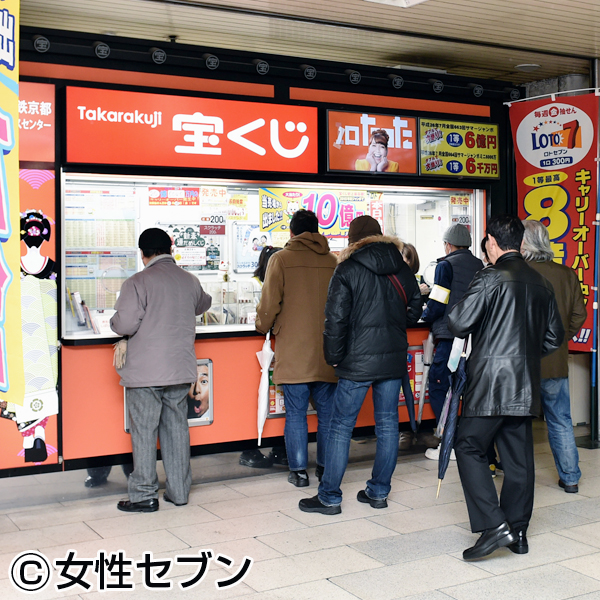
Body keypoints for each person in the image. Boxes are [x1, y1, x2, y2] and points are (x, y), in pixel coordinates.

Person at [447, 214, 564, 560]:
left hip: (488, 383)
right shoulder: (541, 282)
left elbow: (458, 322)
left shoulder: (489, 278)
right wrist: (524, 356)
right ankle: (519, 532)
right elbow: (554, 336)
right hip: (524, 385)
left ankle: (494, 525)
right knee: (518, 461)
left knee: (467, 445)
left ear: (491, 242)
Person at [299, 215, 422, 515]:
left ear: (354, 240)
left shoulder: (347, 269)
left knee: (341, 427)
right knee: (388, 425)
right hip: (392, 360)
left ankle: (329, 497)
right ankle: (378, 492)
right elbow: (415, 309)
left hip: (356, 362)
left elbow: (335, 320)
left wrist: (334, 356)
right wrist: (394, 323)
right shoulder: (401, 268)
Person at [110, 228, 212, 512]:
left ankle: (144, 496)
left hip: (145, 373)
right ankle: (179, 492)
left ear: (142, 253)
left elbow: (125, 324)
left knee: (144, 432)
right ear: (171, 248)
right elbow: (204, 303)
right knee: (176, 429)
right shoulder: (189, 280)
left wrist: (114, 325)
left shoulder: (137, 282)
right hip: (179, 370)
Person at [256, 210, 337, 487]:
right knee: (327, 415)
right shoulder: (333, 261)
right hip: (328, 352)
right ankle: (326, 468)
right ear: (317, 231)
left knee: (296, 414)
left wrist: (261, 325)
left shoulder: (280, 259)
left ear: (292, 233)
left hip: (294, 351)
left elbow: (268, 306)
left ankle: (299, 472)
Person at [522, 219, 587, 493]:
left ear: (524, 243)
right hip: (555, 362)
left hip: (520, 362)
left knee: (518, 423)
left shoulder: (517, 272)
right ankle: (570, 478)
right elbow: (579, 315)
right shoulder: (567, 273)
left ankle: (521, 478)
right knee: (560, 419)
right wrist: (559, 340)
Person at [421, 223, 483, 457]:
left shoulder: (445, 265)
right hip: (474, 337)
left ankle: (449, 441)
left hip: (449, 337)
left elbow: (438, 302)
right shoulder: (479, 265)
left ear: (448, 245)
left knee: (440, 386)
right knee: (466, 388)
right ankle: (466, 441)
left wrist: (425, 314)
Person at [240, 245, 288, 469]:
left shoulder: (280, 284)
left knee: (277, 401)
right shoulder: (252, 285)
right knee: (254, 399)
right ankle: (249, 447)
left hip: (276, 348)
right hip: (257, 351)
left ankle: (279, 448)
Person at [399, 242, 421, 451]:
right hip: (399, 344)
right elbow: (414, 313)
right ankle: (411, 428)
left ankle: (410, 429)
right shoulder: (409, 282)